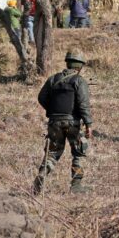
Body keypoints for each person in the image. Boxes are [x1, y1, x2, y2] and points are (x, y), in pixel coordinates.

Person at [33, 50, 93, 194]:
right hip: (73, 123)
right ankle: (76, 185)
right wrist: (88, 124)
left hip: (54, 122)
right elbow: (83, 105)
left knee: (52, 153)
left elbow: (41, 97)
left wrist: (53, 111)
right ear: (80, 66)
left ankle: (42, 175)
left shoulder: (53, 79)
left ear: (67, 63)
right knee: (79, 153)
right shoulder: (79, 81)